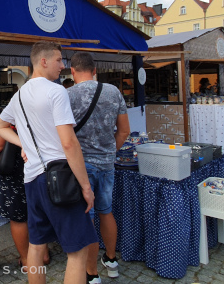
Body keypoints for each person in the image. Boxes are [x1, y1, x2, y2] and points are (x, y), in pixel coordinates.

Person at [0, 41, 96, 284]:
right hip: (58, 178)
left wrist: (24, 145)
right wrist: (86, 187)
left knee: (37, 248)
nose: (63, 65)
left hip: (32, 180)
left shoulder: (18, 95)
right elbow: (69, 143)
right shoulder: (55, 91)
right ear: (43, 61)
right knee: (77, 251)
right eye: (59, 60)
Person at [66, 52, 130, 283]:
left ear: (72, 71)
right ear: (95, 70)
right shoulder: (113, 91)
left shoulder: (67, 95)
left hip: (81, 168)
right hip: (106, 164)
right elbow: (123, 131)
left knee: (87, 218)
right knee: (106, 212)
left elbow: (63, 137)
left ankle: (91, 274)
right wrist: (110, 151)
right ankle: (111, 261)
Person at [0, 132, 50, 270]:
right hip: (42, 162)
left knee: (18, 217)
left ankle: (27, 260)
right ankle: (44, 254)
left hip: (15, 165)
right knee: (40, 210)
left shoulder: (13, 110)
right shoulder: (49, 108)